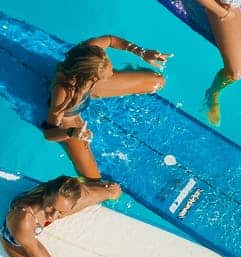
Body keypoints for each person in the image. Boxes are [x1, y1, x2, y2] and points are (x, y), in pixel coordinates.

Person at [42, 35, 170, 179]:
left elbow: (110, 40)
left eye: (109, 65)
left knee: (158, 81)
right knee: (93, 179)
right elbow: (48, 133)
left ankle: (98, 86)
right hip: (70, 118)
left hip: (91, 86)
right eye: (106, 74)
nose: (111, 73)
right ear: (89, 78)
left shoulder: (90, 51)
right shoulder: (64, 93)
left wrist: (141, 52)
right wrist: (72, 132)